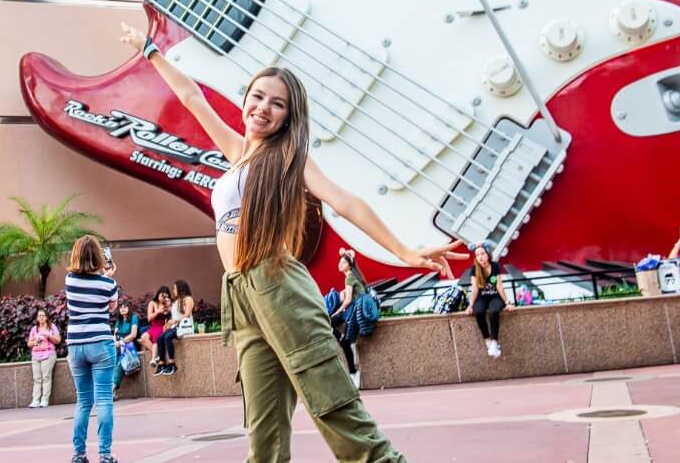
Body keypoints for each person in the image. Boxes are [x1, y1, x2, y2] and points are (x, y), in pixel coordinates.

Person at [120, 23, 464, 462]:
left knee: (334, 409)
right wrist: (149, 49)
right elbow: (193, 98)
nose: (263, 108)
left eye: (277, 104)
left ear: (288, 116)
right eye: (258, 96)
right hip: (241, 294)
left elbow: (345, 201)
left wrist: (402, 251)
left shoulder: (287, 158)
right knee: (262, 433)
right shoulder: (236, 152)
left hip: (278, 285)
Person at [65, 234, 119, 463]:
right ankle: (105, 455)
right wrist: (107, 276)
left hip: (76, 345)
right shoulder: (109, 284)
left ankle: (78, 454)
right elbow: (112, 306)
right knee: (104, 400)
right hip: (101, 343)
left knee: (83, 401)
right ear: (99, 256)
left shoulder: (70, 280)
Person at [464, 243, 514, 357]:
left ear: (487, 255)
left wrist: (507, 302)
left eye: (482, 253)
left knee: (493, 312)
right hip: (481, 298)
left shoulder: (495, 266)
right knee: (479, 312)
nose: (480, 257)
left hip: (495, 296)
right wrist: (470, 306)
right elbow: (475, 289)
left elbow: (499, 286)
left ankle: (494, 342)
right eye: (477, 255)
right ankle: (488, 341)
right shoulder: (474, 269)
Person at [331, 249, 368, 387]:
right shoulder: (353, 276)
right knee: (329, 323)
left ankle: (354, 373)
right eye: (339, 262)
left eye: (343, 262)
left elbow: (347, 301)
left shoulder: (349, 277)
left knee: (344, 341)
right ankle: (343, 338)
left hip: (352, 313)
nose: (340, 264)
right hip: (353, 311)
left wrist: (336, 313)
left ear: (349, 265)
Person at [154, 280, 194, 376]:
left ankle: (172, 364)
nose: (173, 290)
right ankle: (162, 364)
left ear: (180, 288)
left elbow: (187, 314)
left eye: (175, 288)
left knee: (167, 337)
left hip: (184, 326)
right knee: (159, 338)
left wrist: (174, 321)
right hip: (175, 326)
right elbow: (175, 316)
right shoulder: (176, 302)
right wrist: (168, 324)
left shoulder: (188, 299)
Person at [27, 310, 61, 408]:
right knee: (37, 378)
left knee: (46, 377)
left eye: (43, 315)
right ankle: (35, 400)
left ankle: (44, 400)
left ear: (46, 317)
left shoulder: (52, 327)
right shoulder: (34, 329)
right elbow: (29, 344)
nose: (41, 317)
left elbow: (58, 340)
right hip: (36, 355)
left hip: (48, 354)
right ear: (37, 318)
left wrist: (49, 335)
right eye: (39, 316)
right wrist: (35, 342)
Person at [138, 286, 171, 368]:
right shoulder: (152, 303)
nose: (163, 298)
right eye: (162, 295)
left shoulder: (167, 303)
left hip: (163, 327)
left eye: (166, 296)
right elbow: (149, 319)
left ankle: (155, 357)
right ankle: (159, 355)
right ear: (158, 294)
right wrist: (157, 312)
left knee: (156, 337)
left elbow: (170, 313)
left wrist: (167, 306)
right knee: (143, 338)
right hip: (153, 327)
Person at [112, 303, 140, 392]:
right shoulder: (119, 320)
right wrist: (115, 343)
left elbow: (133, 334)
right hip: (118, 346)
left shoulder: (133, 317)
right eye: (121, 307)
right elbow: (115, 335)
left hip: (129, 346)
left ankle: (111, 390)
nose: (122, 309)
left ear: (129, 308)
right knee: (114, 363)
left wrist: (121, 342)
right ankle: (113, 391)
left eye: (125, 307)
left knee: (120, 363)